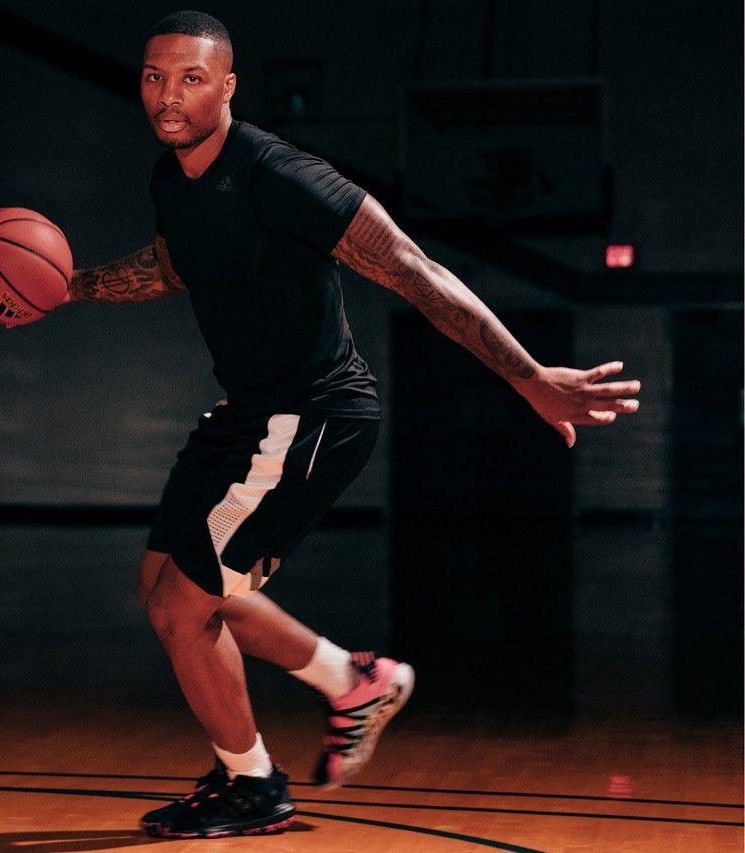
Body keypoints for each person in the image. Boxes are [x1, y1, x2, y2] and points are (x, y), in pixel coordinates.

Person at [61, 11, 641, 839]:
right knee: (166, 584)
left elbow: (412, 267)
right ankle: (352, 680)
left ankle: (254, 787)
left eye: (191, 78)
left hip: (312, 414)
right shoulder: (172, 178)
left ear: (228, 87)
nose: (169, 95)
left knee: (184, 609)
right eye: (155, 76)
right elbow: (172, 265)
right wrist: (68, 286)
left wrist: (528, 376)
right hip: (247, 412)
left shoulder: (282, 174)